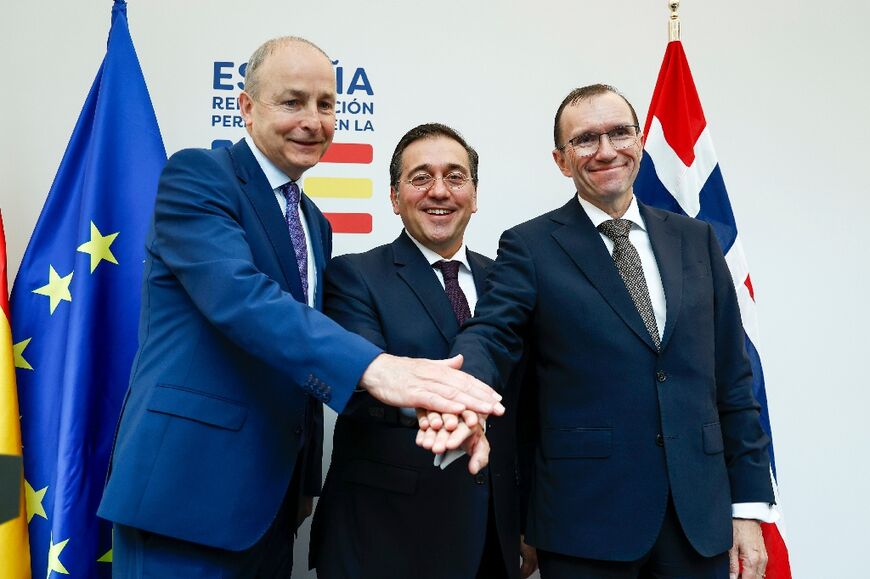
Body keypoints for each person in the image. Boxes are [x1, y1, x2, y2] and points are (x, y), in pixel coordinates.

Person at [96, 37, 502, 577]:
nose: (313, 120)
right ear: (245, 106)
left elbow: (298, 359)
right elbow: (241, 299)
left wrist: (306, 478)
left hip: (272, 505)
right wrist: (377, 368)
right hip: (186, 494)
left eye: (326, 104)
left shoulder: (314, 223)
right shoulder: (198, 177)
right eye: (292, 102)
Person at [443, 84, 775, 579]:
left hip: (698, 520)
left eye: (619, 132)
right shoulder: (530, 246)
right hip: (585, 524)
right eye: (585, 140)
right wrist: (456, 384)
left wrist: (748, 506)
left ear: (640, 141)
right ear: (560, 160)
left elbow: (733, 380)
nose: (606, 150)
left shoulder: (698, 240)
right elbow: (492, 333)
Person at [309, 123, 538, 579]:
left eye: (456, 177)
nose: (440, 191)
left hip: (495, 537)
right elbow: (363, 388)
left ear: (474, 195)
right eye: (420, 177)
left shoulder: (509, 281)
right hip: (385, 537)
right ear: (394, 198)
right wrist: (453, 410)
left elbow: (530, 406)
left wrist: (528, 520)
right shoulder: (354, 276)